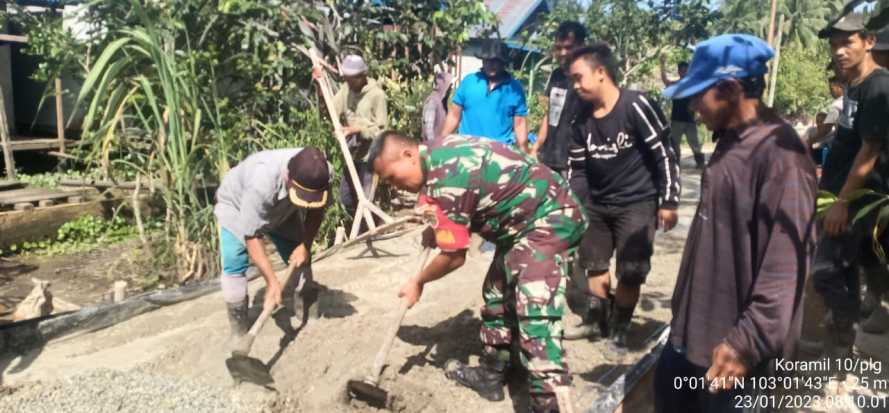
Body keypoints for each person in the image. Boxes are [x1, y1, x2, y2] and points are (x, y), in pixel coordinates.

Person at [653, 34, 817, 413]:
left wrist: (748, 342)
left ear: (729, 89)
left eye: (699, 94)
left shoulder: (782, 158)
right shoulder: (730, 139)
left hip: (734, 351)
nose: (693, 105)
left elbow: (786, 266)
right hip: (693, 331)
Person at [369, 132, 587, 413]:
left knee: (536, 316)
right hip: (519, 225)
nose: (394, 185)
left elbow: (454, 257)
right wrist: (435, 226)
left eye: (391, 177)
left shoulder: (446, 176)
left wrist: (418, 282)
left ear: (409, 156)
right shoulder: (435, 154)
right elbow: (463, 203)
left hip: (550, 218)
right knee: (496, 292)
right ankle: (492, 373)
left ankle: (550, 404)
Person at [565, 43, 680, 347]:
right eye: (572, 80)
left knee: (631, 271)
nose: (575, 86)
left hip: (637, 203)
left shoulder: (636, 105)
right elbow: (576, 168)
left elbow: (665, 154)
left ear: (601, 72)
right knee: (595, 264)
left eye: (579, 78)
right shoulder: (580, 118)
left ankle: (620, 325)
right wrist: (575, 203)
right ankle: (597, 321)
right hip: (597, 205)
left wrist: (669, 201)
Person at [815, 13, 889, 364]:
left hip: (857, 200)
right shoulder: (855, 85)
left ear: (869, 41)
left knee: (827, 271)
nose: (839, 51)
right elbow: (846, 141)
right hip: (841, 195)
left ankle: (839, 351)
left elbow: (869, 151)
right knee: (849, 269)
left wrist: (842, 202)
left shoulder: (878, 86)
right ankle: (841, 348)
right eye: (834, 45)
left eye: (847, 42)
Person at [214, 148, 332, 339]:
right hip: (236, 207)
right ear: (288, 178)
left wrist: (305, 246)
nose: (308, 202)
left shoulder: (322, 173)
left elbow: (316, 210)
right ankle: (239, 331)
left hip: (284, 209)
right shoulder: (261, 182)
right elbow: (251, 235)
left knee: (300, 256)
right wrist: (271, 282)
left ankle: (308, 315)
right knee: (234, 261)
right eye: (303, 196)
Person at [313, 54, 388, 221]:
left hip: (370, 157)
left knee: (367, 199)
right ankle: (359, 229)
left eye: (352, 78)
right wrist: (319, 84)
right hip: (352, 154)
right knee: (347, 199)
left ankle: (369, 231)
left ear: (362, 76)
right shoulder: (346, 90)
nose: (348, 82)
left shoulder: (377, 95)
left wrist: (357, 130)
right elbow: (330, 110)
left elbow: (381, 130)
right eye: (346, 78)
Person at [439, 39, 530, 153]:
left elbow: (520, 124)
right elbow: (454, 116)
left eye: (495, 61)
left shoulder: (514, 89)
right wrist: (441, 142)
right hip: (468, 150)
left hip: (499, 153)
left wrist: (525, 153)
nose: (491, 64)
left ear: (503, 63)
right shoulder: (469, 82)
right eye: (487, 60)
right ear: (482, 61)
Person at [530, 21, 587, 177]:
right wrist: (536, 146)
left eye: (568, 47)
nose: (562, 53)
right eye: (559, 47)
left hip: (574, 163)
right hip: (550, 157)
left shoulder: (588, 77)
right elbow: (549, 113)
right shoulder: (556, 75)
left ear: (581, 46)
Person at [662, 59, 706, 169]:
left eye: (686, 70)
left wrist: (701, 115)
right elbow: (665, 81)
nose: (684, 72)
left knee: (694, 143)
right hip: (677, 119)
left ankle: (700, 163)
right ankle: (675, 162)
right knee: (674, 143)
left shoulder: (693, 86)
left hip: (690, 120)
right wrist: (662, 65)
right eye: (682, 70)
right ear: (679, 72)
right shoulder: (676, 85)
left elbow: (699, 100)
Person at [422, 71, 453, 142]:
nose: (451, 89)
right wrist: (433, 146)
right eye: (449, 87)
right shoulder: (432, 101)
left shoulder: (441, 101)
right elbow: (428, 128)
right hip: (432, 147)